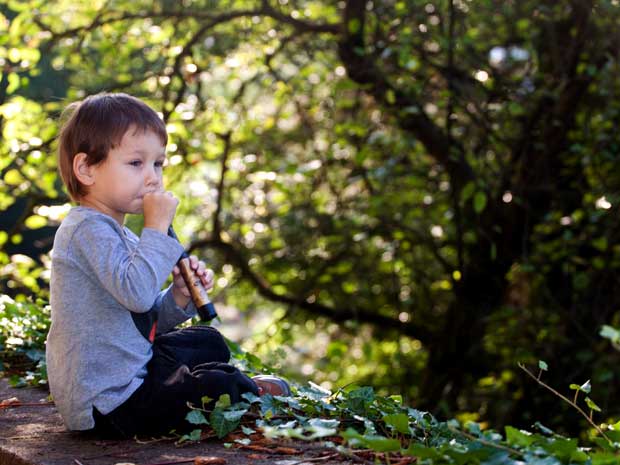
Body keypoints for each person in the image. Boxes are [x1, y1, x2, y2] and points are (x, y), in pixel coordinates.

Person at [46, 92, 290, 438]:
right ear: (86, 169)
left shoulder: (119, 236)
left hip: (132, 370)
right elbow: (137, 295)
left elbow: (145, 321)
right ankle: (247, 390)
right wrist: (156, 230)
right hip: (109, 403)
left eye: (158, 164)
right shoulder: (85, 229)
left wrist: (178, 295)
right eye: (136, 164)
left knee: (208, 342)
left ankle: (198, 382)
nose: (152, 178)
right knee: (220, 381)